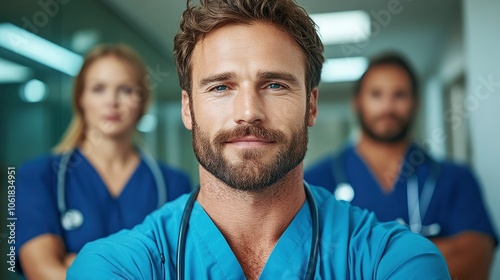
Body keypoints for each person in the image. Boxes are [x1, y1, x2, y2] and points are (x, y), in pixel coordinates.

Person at [67, 1, 450, 279]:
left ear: (311, 105)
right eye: (220, 86)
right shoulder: (113, 267)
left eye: (275, 84)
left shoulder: (396, 261)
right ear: (188, 109)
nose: (248, 111)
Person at [305, 53, 498, 279]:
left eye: (400, 95)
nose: (388, 107)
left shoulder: (456, 180)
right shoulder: (315, 181)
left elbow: (474, 263)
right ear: (357, 102)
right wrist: (425, 255)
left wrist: (354, 260)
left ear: (414, 103)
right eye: (376, 94)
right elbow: (308, 266)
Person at [16, 44, 191, 279]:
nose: (112, 101)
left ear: (142, 102)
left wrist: (77, 265)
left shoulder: (174, 185)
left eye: (126, 90)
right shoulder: (38, 176)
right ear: (80, 98)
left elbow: (181, 271)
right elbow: (42, 271)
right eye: (98, 89)